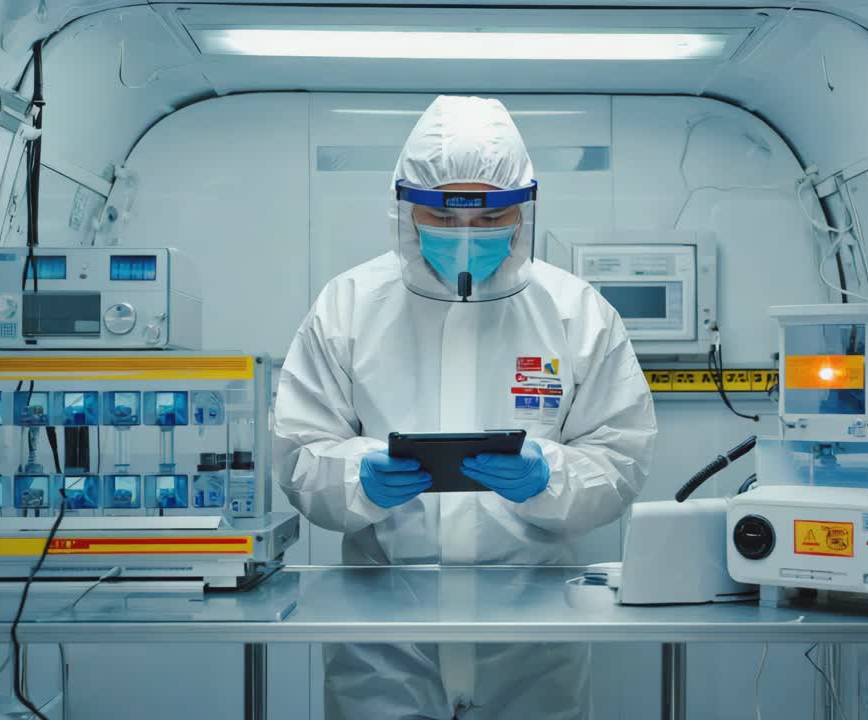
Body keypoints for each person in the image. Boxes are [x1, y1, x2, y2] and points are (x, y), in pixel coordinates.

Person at [273, 95, 657, 720]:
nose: (466, 237)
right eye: (443, 218)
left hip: (533, 637)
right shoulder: (348, 306)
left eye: (491, 218)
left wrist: (549, 476)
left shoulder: (575, 312)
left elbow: (621, 456)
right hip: (385, 641)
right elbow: (297, 453)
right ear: (405, 208)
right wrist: (357, 476)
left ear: (524, 210)